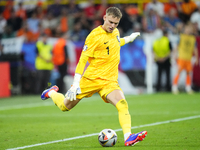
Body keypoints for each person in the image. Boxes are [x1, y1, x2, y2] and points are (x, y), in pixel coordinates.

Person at [41, 7, 147, 146]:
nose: (112, 26)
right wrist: (75, 84)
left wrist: (128, 39)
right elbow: (82, 60)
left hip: (109, 81)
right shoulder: (94, 36)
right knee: (64, 106)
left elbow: (115, 43)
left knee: (122, 104)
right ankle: (52, 93)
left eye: (116, 23)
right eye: (110, 22)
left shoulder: (115, 31)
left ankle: (128, 137)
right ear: (104, 17)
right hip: (91, 79)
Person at [172, 24, 199, 94]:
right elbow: (177, 47)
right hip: (181, 58)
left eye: (189, 29)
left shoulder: (193, 38)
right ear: (184, 30)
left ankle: (188, 88)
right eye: (187, 29)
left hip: (188, 58)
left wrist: (197, 58)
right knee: (178, 72)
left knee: (189, 73)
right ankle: (174, 87)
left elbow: (195, 49)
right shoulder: (181, 37)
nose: (188, 30)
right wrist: (174, 55)